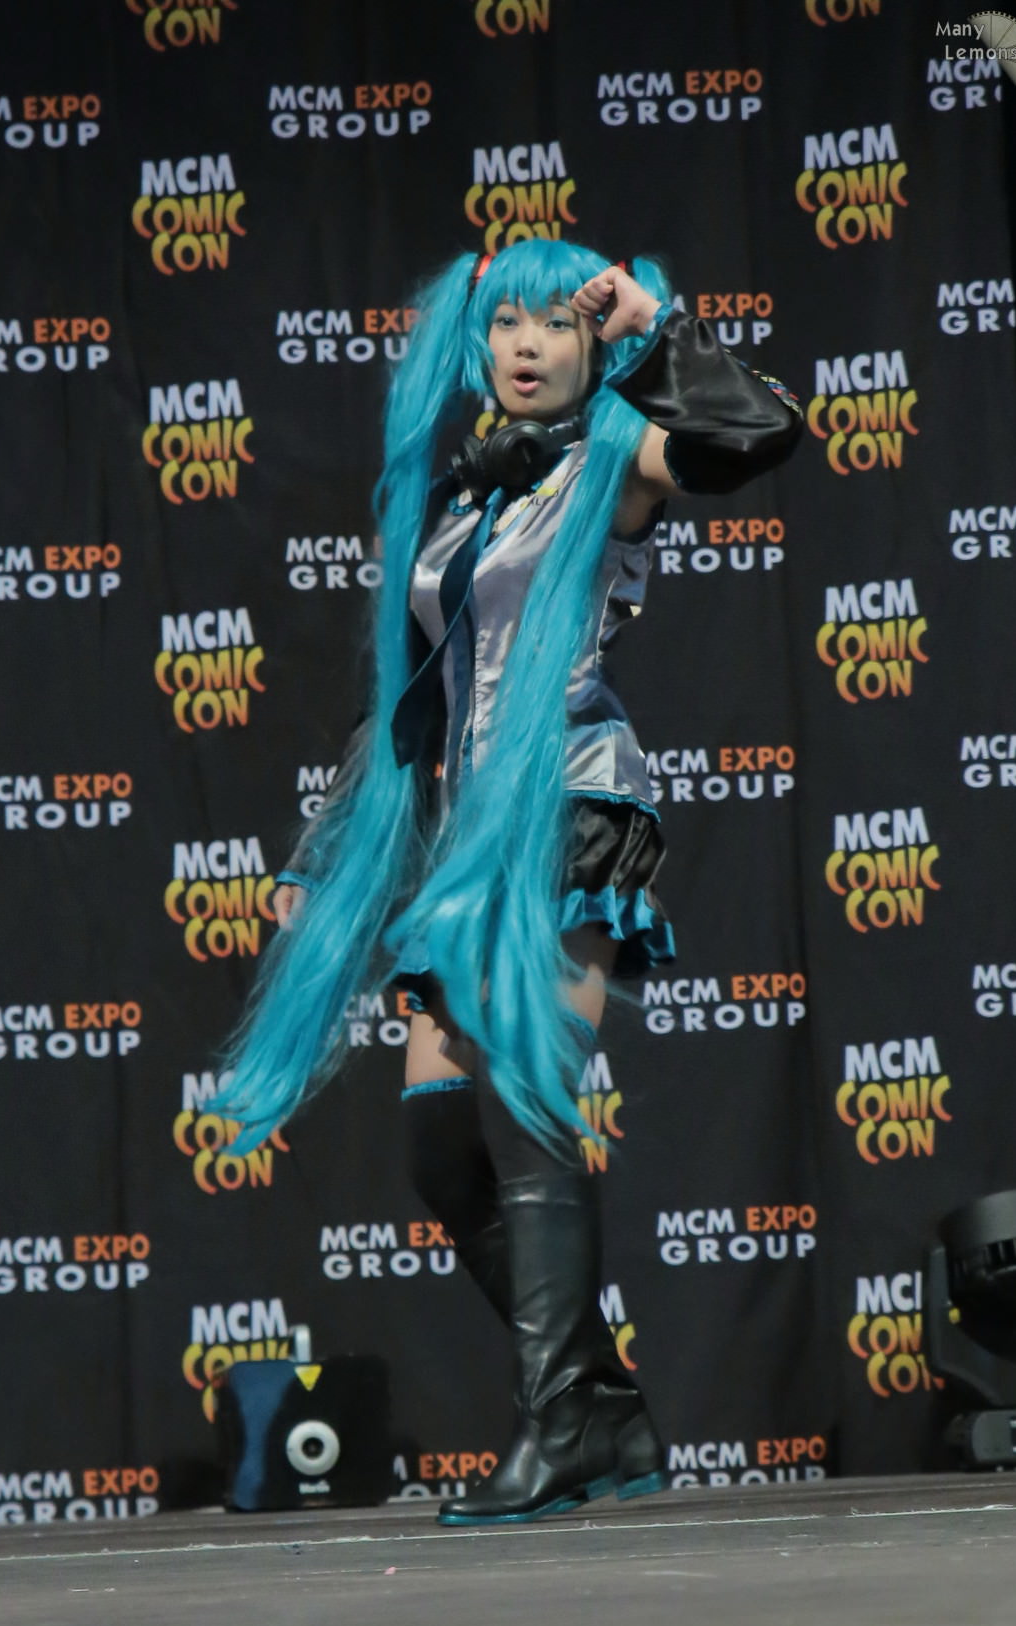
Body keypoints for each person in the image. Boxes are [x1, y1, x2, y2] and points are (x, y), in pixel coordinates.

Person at [216, 239, 804, 1525]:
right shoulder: (461, 499)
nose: (528, 345)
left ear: (591, 346)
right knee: (440, 1150)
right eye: (506, 324)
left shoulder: (617, 463)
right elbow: (412, 702)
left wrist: (660, 325)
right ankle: (599, 1402)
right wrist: (328, 856)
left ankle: (559, 1423)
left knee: (529, 1105)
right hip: (462, 841)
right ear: (478, 343)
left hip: (570, 810)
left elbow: (760, 435)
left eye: (556, 324)